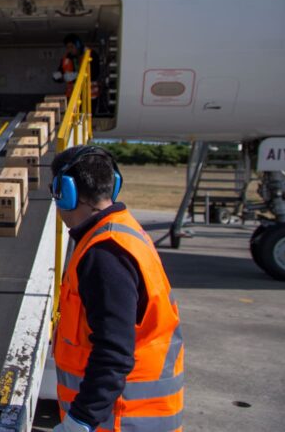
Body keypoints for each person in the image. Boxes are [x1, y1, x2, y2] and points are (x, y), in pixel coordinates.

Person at [50, 146, 184, 432]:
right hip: (128, 415)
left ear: (64, 192)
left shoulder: (105, 254)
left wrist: (81, 419)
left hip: (121, 418)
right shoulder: (119, 232)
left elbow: (114, 350)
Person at [53, 34, 101, 101]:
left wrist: (77, 76)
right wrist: (58, 77)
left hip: (89, 97)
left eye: (71, 47)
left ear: (78, 45)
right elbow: (62, 72)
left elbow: (95, 73)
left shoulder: (91, 55)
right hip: (73, 97)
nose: (69, 50)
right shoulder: (67, 57)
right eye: (67, 48)